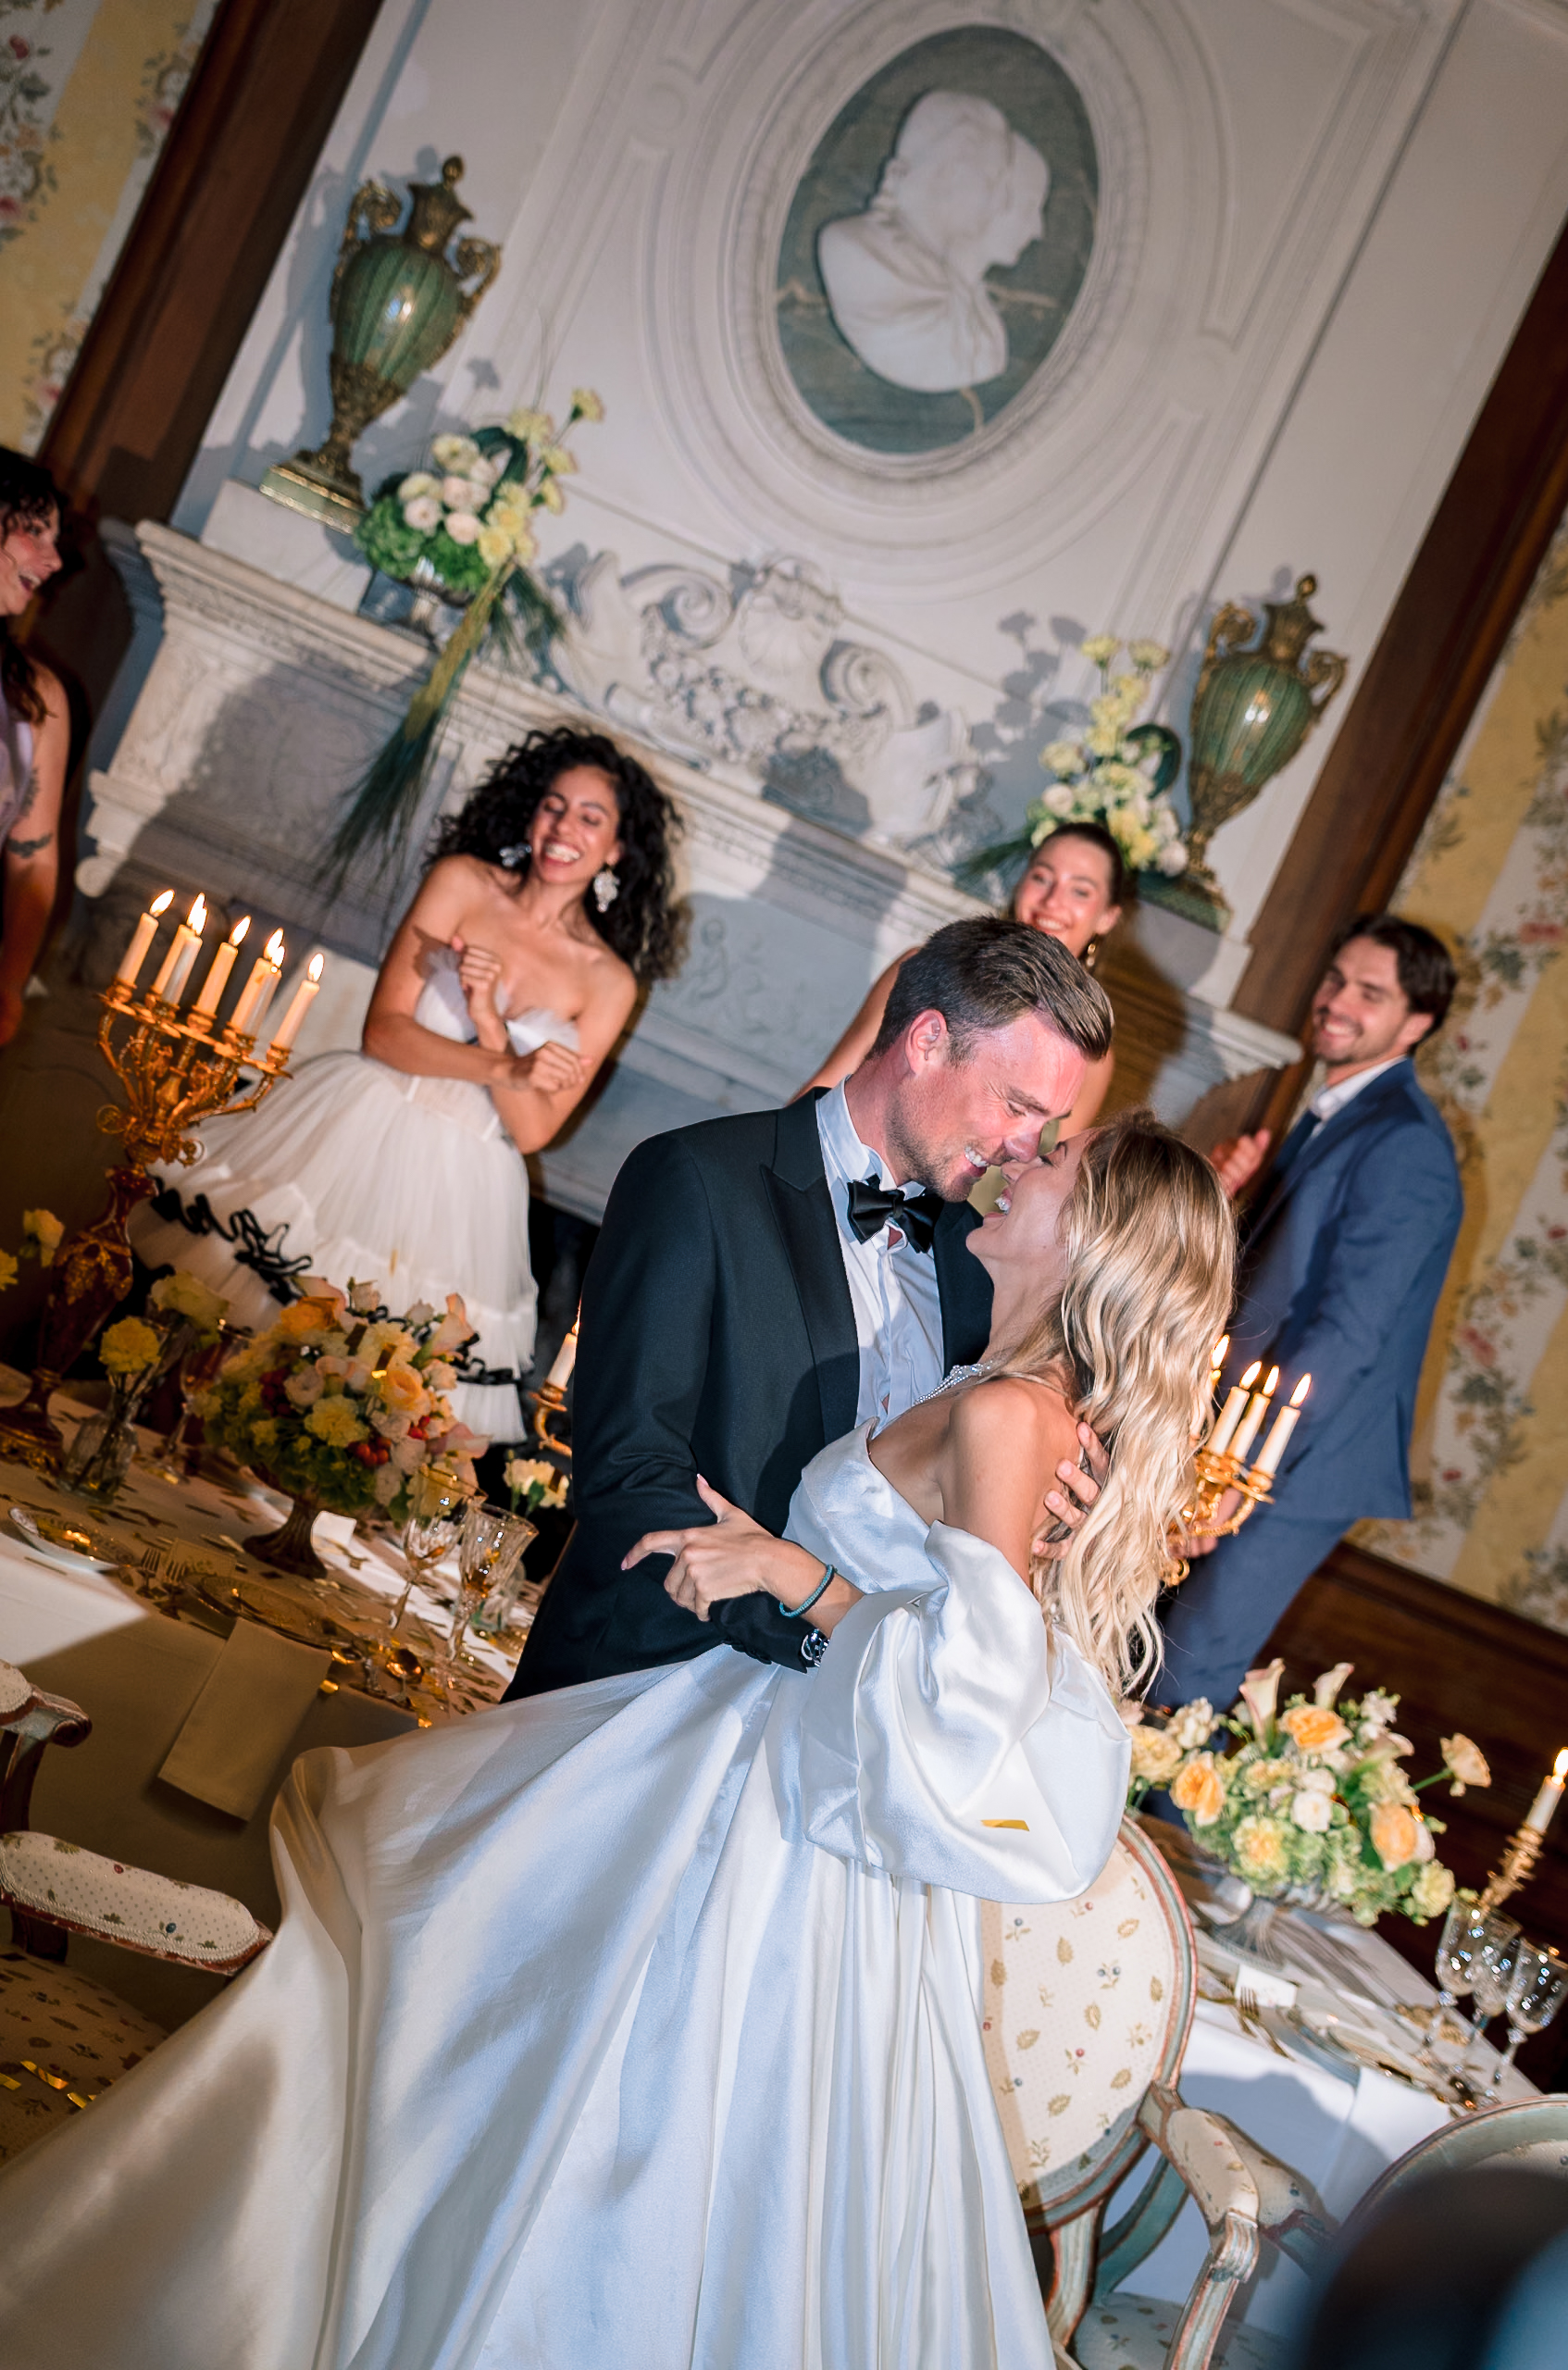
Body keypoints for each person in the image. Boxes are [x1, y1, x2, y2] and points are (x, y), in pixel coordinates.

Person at [0, 1112, 1236, 2370]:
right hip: (743, 1769)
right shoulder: (998, 1391)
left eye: (1054, 1160)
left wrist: (794, 1574)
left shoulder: (1013, 1416)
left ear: (1093, 1236)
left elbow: (969, 1698)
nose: (1018, 1159)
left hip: (774, 1846)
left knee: (587, 2131)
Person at [510, 915, 1114, 1699]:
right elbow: (628, 1472)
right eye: (1014, 1105)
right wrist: (816, 1636)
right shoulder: (696, 1180)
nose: (1025, 1149)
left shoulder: (983, 1262)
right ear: (927, 1041)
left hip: (849, 1727)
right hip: (640, 1687)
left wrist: (1055, 1508)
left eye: (1046, 1125)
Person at [133, 724, 683, 1443]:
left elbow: (532, 1128)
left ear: (615, 849)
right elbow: (385, 1034)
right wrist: (510, 1068)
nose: (562, 828)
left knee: (354, 1389)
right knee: (231, 1328)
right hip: (359, 1122)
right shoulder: (462, 882)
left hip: (462, 1188)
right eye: (553, 806)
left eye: (589, 817)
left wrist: (486, 1019)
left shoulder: (607, 982)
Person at [1158, 914, 1462, 1711]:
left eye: (1369, 993)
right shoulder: (1338, 1111)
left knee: (1184, 1677)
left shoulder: (1405, 1145)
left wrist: (1240, 1466)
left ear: (1417, 1022)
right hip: (1237, 1433)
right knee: (1145, 1644)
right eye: (1335, 979)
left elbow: (1348, 1331)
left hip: (1295, 1464)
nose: (1336, 1002)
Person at [798, 820, 1126, 1130]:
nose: (1052, 901)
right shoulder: (928, 966)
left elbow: (1055, 1167)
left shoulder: (1091, 1054)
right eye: (1041, 877)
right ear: (1020, 885)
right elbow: (828, 1084)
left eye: (1080, 891)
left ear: (1107, 918)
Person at [818, 90, 1050, 392]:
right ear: (951, 174)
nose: (997, 205)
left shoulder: (959, 278)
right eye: (993, 182)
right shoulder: (853, 250)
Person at [0, 449, 68, 1048]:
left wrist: (9, 983)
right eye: (34, 531)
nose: (54, 559)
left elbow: (34, 863)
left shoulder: (38, 699)